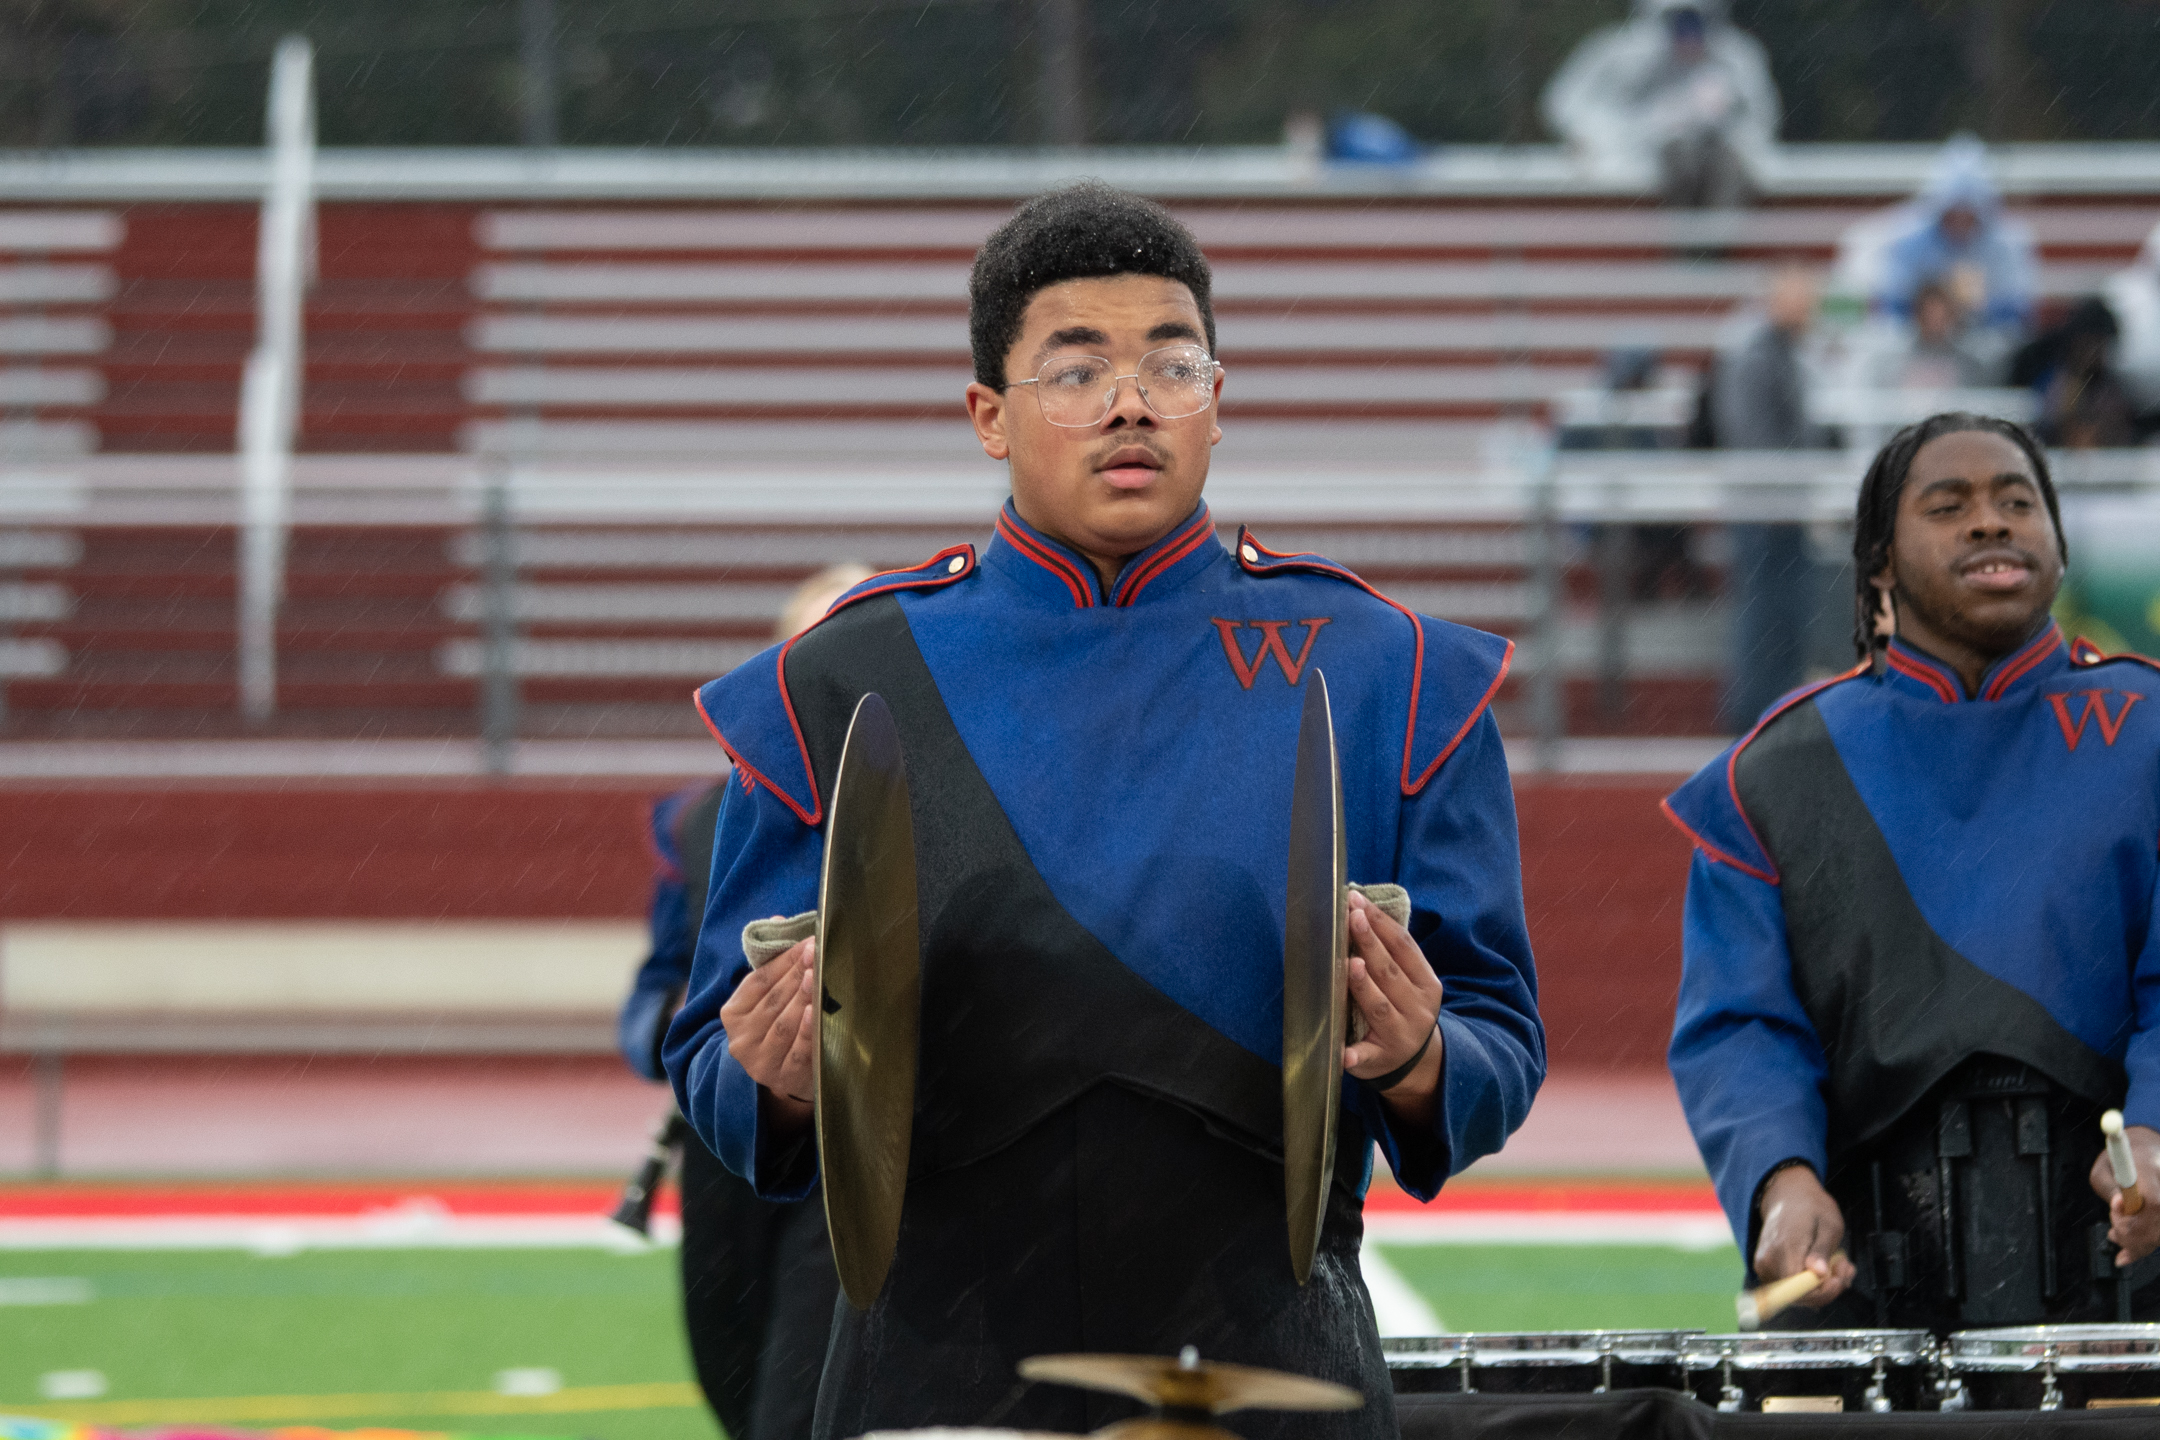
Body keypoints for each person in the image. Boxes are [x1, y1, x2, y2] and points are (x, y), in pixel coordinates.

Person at [666, 183, 1544, 1439]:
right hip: (934, 1363)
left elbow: (1499, 1040)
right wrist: (775, 1076)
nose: (1132, 402)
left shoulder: (1388, 672)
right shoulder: (841, 683)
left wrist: (1417, 1058)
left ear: (1218, 404)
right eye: (1076, 370)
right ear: (988, 416)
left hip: (1275, 1356)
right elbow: (715, 1071)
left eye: (1172, 365)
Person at [1665, 411, 2160, 1332]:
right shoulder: (1776, 771)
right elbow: (1740, 1028)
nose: (1991, 522)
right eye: (1949, 505)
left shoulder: (2151, 730)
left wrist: (2156, 1133)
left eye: (2019, 502)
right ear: (1880, 561)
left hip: (2130, 1265)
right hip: (1867, 1275)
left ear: (2056, 543)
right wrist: (1783, 1179)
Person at [615, 565, 867, 1440]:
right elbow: (651, 1004)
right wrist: (694, 1022)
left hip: (861, 1164)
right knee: (730, 1373)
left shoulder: (938, 813)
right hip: (728, 1147)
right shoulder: (698, 820)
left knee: (793, 1413)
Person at [1714, 266, 1830, 731]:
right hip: (1767, 507)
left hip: (1782, 503)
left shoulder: (1783, 354)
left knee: (1784, 613)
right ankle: (1753, 714)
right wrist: (1781, 493)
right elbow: (1753, 437)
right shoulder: (1758, 357)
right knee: (1764, 614)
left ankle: (1771, 709)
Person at [1541, 0, 1779, 208]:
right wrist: (1601, 140)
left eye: (1696, 22)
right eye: (1677, 22)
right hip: (1638, 166)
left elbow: (1761, 116)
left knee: (1722, 172)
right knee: (1680, 161)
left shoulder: (1735, 58)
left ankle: (1709, 247)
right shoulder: (1619, 57)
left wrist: (1727, 127)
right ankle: (1687, 248)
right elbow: (1565, 102)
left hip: (1718, 163)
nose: (1687, 35)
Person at [1868, 136, 2036, 341]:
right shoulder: (1907, 240)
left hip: (1985, 349)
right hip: (1917, 347)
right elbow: (1891, 310)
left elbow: (2017, 316)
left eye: (1968, 213)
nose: (1960, 221)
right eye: (1952, 212)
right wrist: (1933, 313)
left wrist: (1977, 310)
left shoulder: (2008, 244)